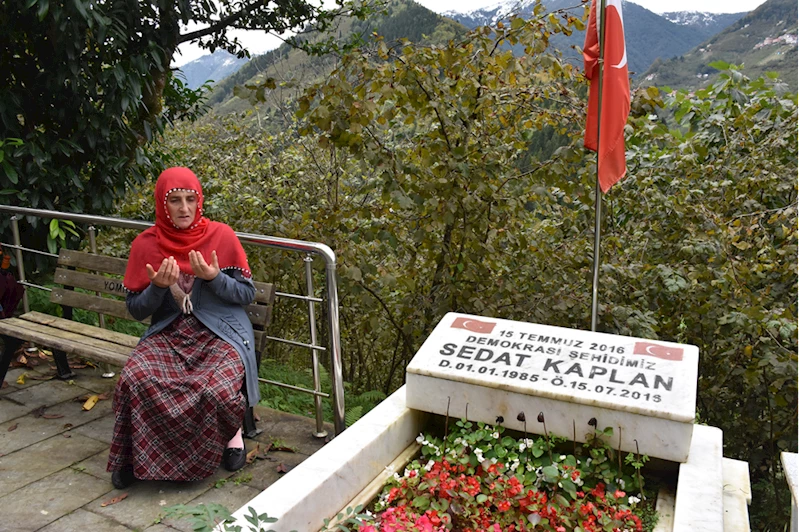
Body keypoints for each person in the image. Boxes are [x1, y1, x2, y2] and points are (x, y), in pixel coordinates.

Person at [107, 167, 260, 489]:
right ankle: (131, 454)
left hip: (223, 331)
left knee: (215, 388)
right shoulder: (145, 244)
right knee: (136, 378)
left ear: (200, 201)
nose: (184, 209)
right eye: (175, 201)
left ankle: (232, 437)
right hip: (170, 330)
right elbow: (136, 310)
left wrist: (214, 278)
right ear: (162, 206)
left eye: (191, 199)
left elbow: (246, 294)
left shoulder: (221, 236)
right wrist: (158, 288)